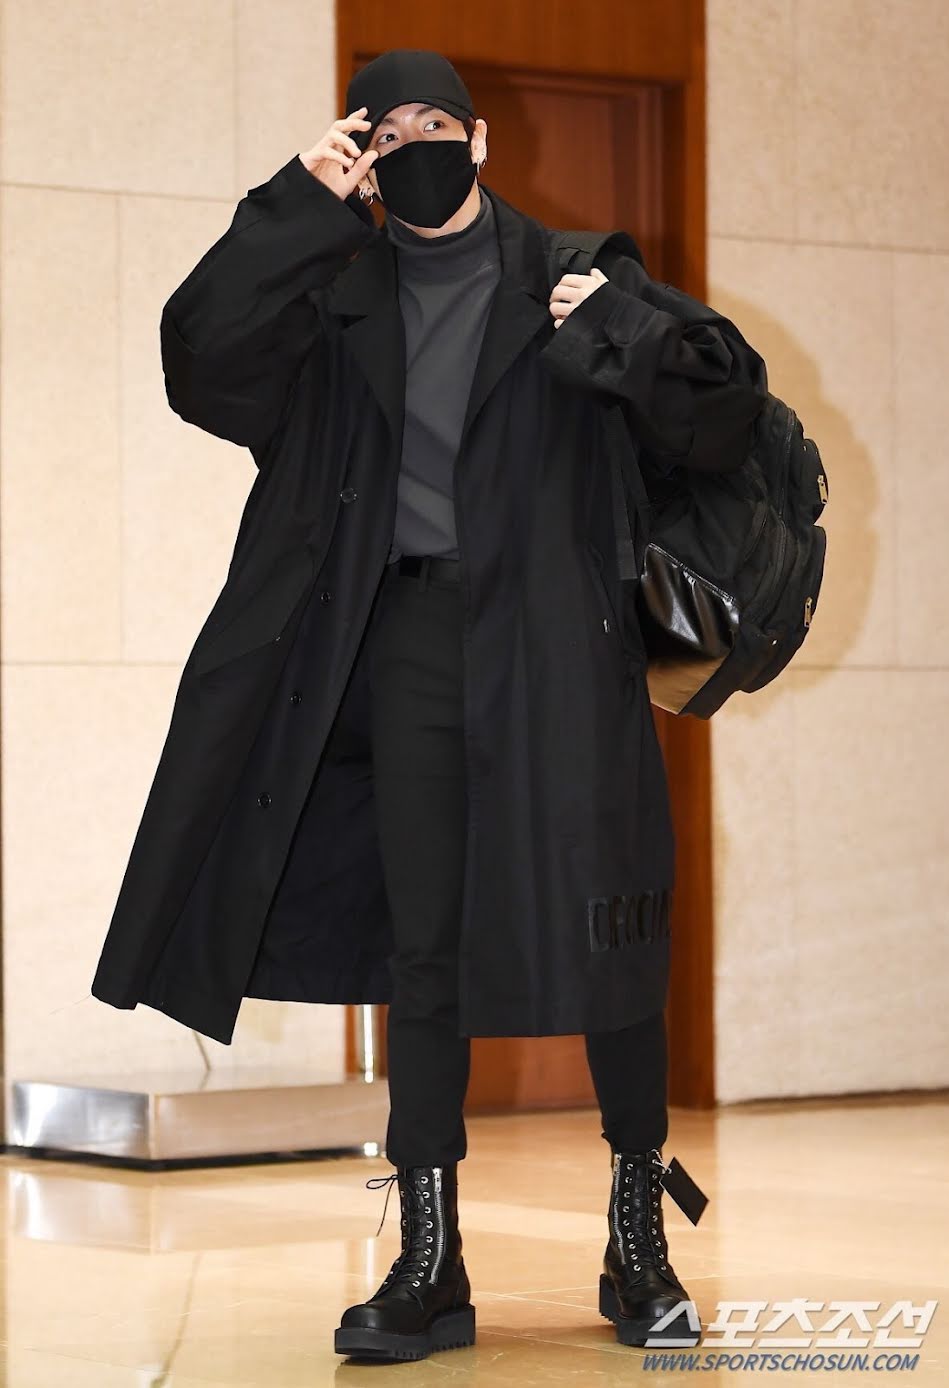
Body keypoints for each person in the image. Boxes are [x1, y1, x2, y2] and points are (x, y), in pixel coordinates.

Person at [92, 46, 768, 1365]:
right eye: (386, 130)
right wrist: (296, 206)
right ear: (364, 151)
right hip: (405, 643)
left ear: (479, 140)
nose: (414, 146)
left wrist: (617, 329)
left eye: (433, 124)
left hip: (562, 650)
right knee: (426, 945)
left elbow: (722, 416)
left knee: (614, 927)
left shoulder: (575, 273)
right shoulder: (336, 292)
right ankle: (429, 1258)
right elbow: (198, 358)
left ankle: (639, 1242)